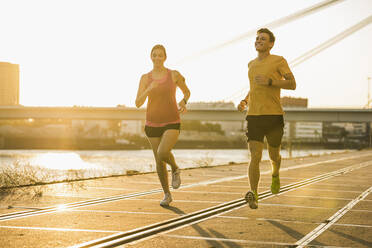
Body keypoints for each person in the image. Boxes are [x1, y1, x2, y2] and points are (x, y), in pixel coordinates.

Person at [237, 28, 296, 209]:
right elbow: (254, 88)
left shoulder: (279, 60)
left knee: (274, 155)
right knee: (255, 155)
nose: (258, 41)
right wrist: (245, 100)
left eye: (263, 39)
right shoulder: (251, 64)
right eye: (257, 39)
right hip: (254, 115)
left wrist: (271, 81)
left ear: (271, 43)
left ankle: (275, 174)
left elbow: (292, 84)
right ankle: (253, 194)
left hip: (273, 115)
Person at [135, 44, 191, 206]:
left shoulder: (173, 75)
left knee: (163, 152)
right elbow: (138, 103)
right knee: (159, 161)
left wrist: (184, 101)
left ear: (165, 57)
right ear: (150, 57)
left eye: (160, 55)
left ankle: (175, 168)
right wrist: (148, 89)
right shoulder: (145, 78)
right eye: (155, 55)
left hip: (172, 120)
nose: (157, 58)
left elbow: (187, 91)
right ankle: (167, 194)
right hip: (152, 122)